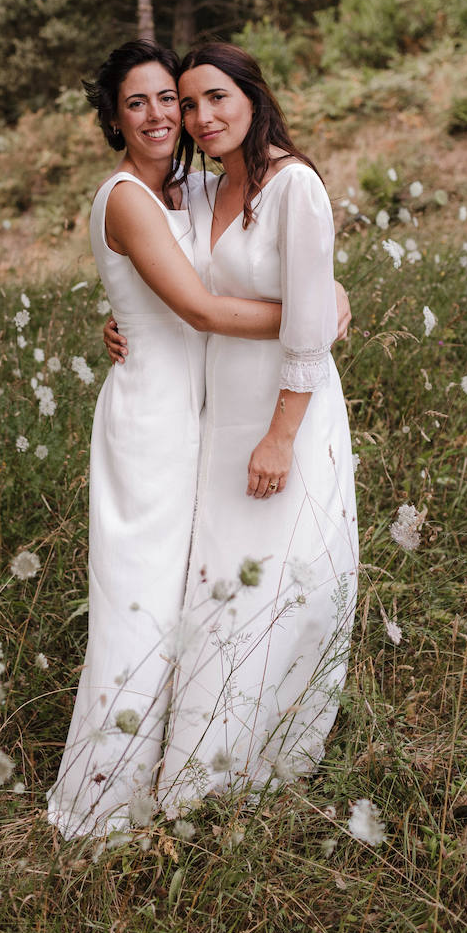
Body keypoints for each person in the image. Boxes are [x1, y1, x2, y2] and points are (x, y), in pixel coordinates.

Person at [47, 40, 316, 839]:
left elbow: (250, 253)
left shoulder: (195, 188)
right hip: (152, 419)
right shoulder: (128, 196)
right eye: (140, 103)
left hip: (202, 411)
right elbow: (200, 310)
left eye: (172, 98)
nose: (166, 115)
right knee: (138, 604)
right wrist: (307, 315)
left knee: (187, 599)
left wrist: (324, 282)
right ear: (114, 117)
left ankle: (182, 772)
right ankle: (100, 804)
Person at [151, 42, 359, 814]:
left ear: (251, 95)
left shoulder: (293, 185)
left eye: (216, 99)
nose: (201, 118)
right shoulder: (203, 194)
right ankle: (203, 759)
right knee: (220, 579)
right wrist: (124, 324)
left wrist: (279, 436)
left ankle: (268, 760)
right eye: (188, 104)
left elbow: (309, 328)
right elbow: (174, 277)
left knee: (280, 579)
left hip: (284, 412)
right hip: (216, 410)